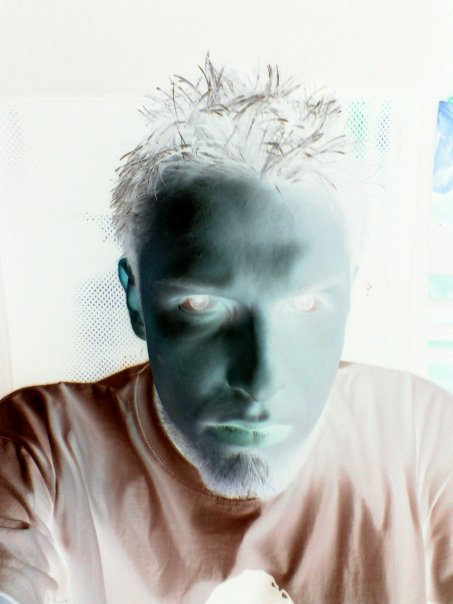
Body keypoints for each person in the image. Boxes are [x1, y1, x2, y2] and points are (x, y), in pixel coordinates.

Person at [0, 57, 452, 604]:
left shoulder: (425, 441)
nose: (256, 378)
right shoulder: (40, 457)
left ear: (350, 295)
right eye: (198, 304)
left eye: (306, 304)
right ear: (135, 299)